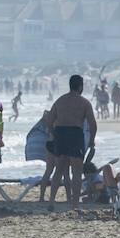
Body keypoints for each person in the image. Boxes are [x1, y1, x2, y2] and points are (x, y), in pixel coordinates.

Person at [47, 75, 99, 209]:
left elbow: (49, 120)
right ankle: (75, 204)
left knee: (59, 169)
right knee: (77, 170)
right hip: (75, 134)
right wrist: (92, 141)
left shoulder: (60, 101)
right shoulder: (84, 103)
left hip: (60, 133)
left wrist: (54, 135)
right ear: (80, 87)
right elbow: (93, 124)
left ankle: (52, 201)